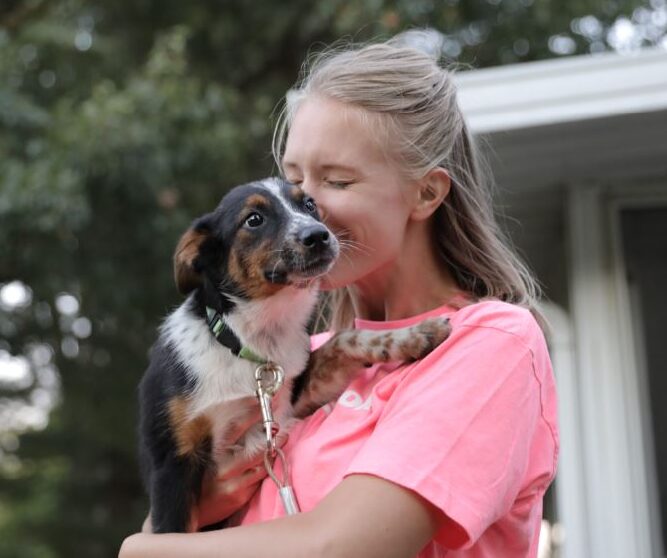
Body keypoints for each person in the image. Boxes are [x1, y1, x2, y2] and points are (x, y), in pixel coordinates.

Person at [119, 31, 559, 558]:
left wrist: (138, 550)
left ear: (426, 193)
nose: (307, 214)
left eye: (337, 182)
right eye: (296, 181)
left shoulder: (490, 345)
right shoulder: (301, 358)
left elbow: (337, 548)